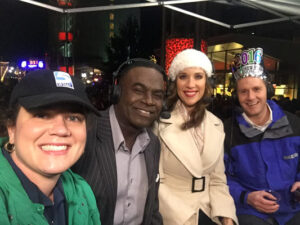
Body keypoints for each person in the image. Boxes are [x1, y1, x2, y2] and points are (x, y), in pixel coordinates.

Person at [0, 69, 101, 225]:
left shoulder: (82, 191)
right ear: (12, 128)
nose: (61, 129)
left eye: (73, 118)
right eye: (41, 115)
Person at [72, 59, 165, 225]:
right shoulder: (86, 131)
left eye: (157, 95)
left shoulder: (153, 143)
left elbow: (152, 210)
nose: (149, 101)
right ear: (116, 91)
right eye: (138, 90)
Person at [154, 49, 238, 225]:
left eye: (198, 76)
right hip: (173, 214)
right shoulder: (159, 122)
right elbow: (154, 181)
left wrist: (227, 215)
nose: (191, 84)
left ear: (207, 81)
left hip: (208, 209)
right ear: (174, 82)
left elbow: (218, 180)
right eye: (183, 76)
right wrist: (180, 217)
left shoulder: (216, 123)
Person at [224, 47, 300, 225]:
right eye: (244, 91)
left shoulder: (295, 124)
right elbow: (220, 177)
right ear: (237, 95)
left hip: (293, 209)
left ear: (268, 90)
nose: (251, 97)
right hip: (249, 211)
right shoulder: (227, 131)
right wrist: (246, 196)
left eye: (257, 89)